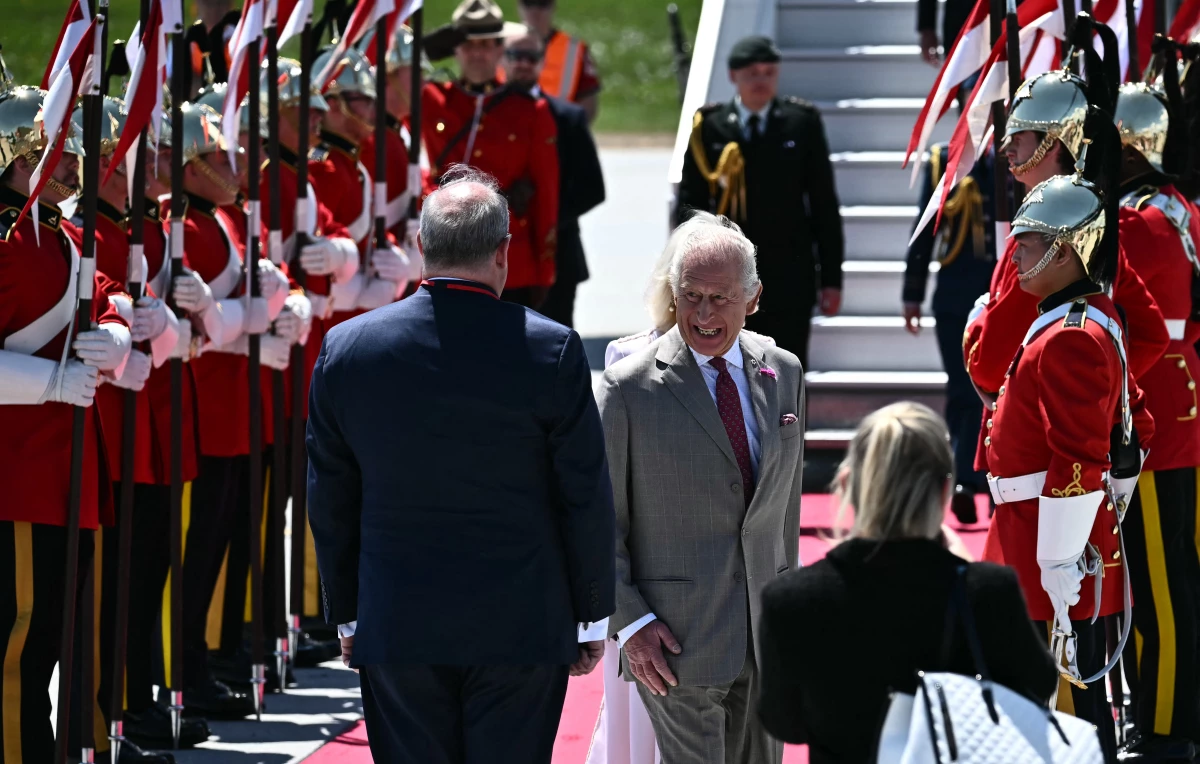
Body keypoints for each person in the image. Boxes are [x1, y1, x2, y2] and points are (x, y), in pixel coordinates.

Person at [307, 167, 615, 764]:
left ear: (422, 248)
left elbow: (332, 497)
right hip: (521, 622)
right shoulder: (550, 351)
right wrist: (589, 614)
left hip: (399, 619)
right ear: (504, 253)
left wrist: (347, 611)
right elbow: (583, 493)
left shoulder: (348, 350)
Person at [982, 29, 1148, 757]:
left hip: (1051, 536)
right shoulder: (1071, 317)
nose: (1015, 257)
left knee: (1067, 699)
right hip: (1040, 523)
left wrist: (1059, 562)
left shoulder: (1075, 332)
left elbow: (1080, 456)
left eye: (1027, 245)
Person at [595, 211, 804, 764]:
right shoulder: (627, 389)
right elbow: (597, 524)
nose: (704, 315)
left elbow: (785, 513)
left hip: (763, 641)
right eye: (691, 296)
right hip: (673, 646)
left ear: (753, 298)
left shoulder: (784, 372)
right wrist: (631, 624)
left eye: (720, 298)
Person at [756, 402, 1058, 763]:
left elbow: (783, 722)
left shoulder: (790, 600)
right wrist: (964, 570)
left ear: (848, 484)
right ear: (945, 490)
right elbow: (1039, 683)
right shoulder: (987, 592)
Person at [0, 84, 133, 763]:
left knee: (51, 634)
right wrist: (49, 380)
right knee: (19, 645)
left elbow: (108, 290)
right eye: (56, 154)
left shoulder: (58, 232)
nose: (76, 165)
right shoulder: (5, 238)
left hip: (62, 472)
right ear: (19, 155)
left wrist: (116, 330)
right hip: (17, 472)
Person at [167, 102, 287, 719]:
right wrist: (245, 315)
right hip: (207, 407)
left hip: (238, 401)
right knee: (201, 549)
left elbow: (249, 301)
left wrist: (254, 309)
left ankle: (209, 658)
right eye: (219, 157)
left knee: (226, 540)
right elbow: (198, 328)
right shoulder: (184, 226)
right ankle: (189, 665)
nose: (235, 164)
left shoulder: (222, 219)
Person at [1112, 72, 1200, 760]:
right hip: (1183, 406)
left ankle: (1166, 720)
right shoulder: (1176, 206)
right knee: (1179, 573)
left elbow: (1149, 325)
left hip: (1155, 419)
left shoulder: (1136, 220)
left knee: (1159, 586)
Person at [676, 35, 843, 368]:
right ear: (733, 76)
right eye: (752, 73)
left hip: (788, 271)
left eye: (769, 72)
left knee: (787, 366)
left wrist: (831, 278)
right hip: (725, 275)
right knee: (725, 365)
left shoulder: (800, 123)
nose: (761, 81)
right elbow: (689, 206)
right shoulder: (710, 127)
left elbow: (823, 203)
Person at [421, 0, 560, 310]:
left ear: (501, 50)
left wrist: (544, 270)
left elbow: (546, 194)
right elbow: (387, 75)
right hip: (444, 254)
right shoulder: (431, 100)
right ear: (455, 49)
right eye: (468, 45)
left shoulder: (530, 111)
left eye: (486, 45)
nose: (477, 53)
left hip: (509, 260)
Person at [904, 143, 996, 524]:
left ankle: (989, 481)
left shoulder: (1019, 151)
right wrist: (913, 290)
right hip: (956, 295)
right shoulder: (947, 159)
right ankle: (965, 477)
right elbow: (926, 226)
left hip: (1004, 292)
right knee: (962, 390)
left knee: (1001, 391)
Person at [308, 47, 415, 330]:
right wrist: (360, 290)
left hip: (356, 315)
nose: (373, 110)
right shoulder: (323, 166)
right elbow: (316, 252)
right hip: (333, 318)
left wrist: (390, 251)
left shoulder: (349, 163)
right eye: (364, 100)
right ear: (333, 105)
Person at [503, 31, 605, 327]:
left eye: (531, 57)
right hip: (502, 251)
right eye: (515, 56)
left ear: (542, 62)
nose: (523, 64)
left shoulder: (568, 117)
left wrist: (543, 213)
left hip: (557, 250)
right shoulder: (486, 114)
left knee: (554, 344)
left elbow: (592, 188)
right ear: (503, 60)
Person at [516, 0, 603, 123]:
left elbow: (588, 100)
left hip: (558, 130)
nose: (535, 12)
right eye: (528, 4)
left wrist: (572, 131)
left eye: (542, 5)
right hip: (510, 131)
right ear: (518, 7)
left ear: (553, 7)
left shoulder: (573, 48)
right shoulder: (500, 45)